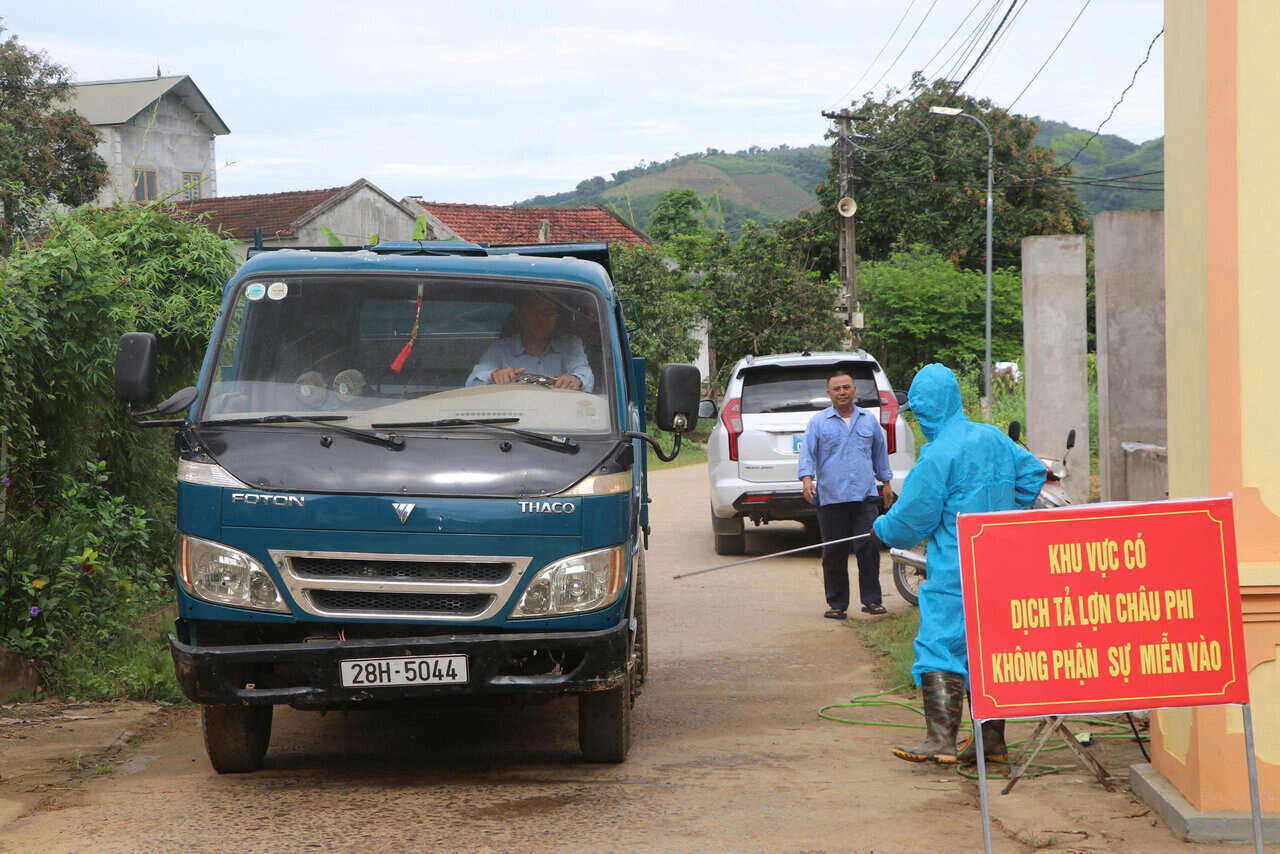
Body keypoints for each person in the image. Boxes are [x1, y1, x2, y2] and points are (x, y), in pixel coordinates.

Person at [871, 363, 1046, 765]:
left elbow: (912, 519)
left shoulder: (937, 456)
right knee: (989, 648)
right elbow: (1033, 473)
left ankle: (941, 740)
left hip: (955, 571)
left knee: (939, 644)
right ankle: (992, 743)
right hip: (1000, 564)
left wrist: (881, 529)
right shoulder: (992, 437)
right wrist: (1001, 510)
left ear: (925, 409)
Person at [798, 369, 895, 621]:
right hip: (831, 498)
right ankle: (837, 604)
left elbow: (879, 454)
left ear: (854, 390)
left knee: (869, 548)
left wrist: (886, 484)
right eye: (837, 389)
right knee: (834, 553)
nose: (842, 392)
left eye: (847, 387)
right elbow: (807, 453)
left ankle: (872, 601)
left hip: (865, 497)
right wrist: (807, 479)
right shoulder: (819, 423)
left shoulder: (868, 420)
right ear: (829, 393)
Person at [466, 292, 594, 391]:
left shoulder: (570, 345)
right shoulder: (500, 348)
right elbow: (472, 382)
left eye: (549, 313)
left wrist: (576, 380)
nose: (542, 319)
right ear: (520, 314)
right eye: (536, 312)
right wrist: (493, 376)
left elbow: (584, 374)